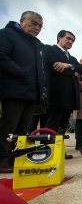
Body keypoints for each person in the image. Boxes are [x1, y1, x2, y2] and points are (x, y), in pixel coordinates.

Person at [0, 11, 45, 173]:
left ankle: (15, 158)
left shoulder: (36, 44)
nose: (37, 28)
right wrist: (19, 71)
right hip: (14, 90)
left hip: (32, 93)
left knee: (22, 130)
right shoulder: (7, 34)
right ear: (22, 21)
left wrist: (42, 88)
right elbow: (1, 55)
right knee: (8, 126)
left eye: (40, 26)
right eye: (33, 23)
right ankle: (2, 159)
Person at [43, 30, 82, 159]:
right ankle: (46, 152)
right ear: (59, 38)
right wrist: (73, 73)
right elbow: (53, 67)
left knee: (63, 126)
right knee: (52, 124)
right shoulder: (49, 50)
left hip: (69, 97)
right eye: (68, 38)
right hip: (56, 94)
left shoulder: (71, 58)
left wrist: (68, 65)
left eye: (72, 40)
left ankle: (59, 152)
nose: (70, 41)